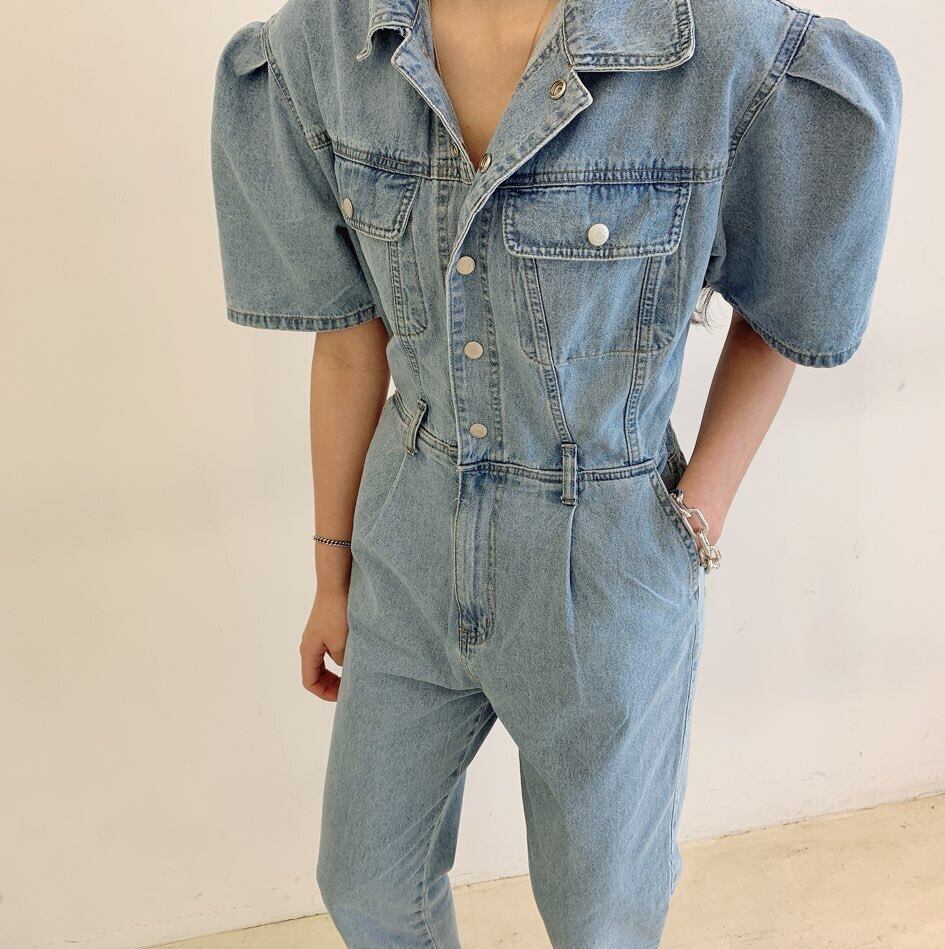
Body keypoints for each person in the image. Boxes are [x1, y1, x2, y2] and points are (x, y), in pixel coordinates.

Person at [211, 0, 901, 944]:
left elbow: (780, 313)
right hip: (407, 541)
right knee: (365, 880)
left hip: (607, 557)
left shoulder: (716, 44)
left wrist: (696, 515)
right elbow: (345, 342)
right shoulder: (326, 45)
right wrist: (331, 574)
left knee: (598, 916)